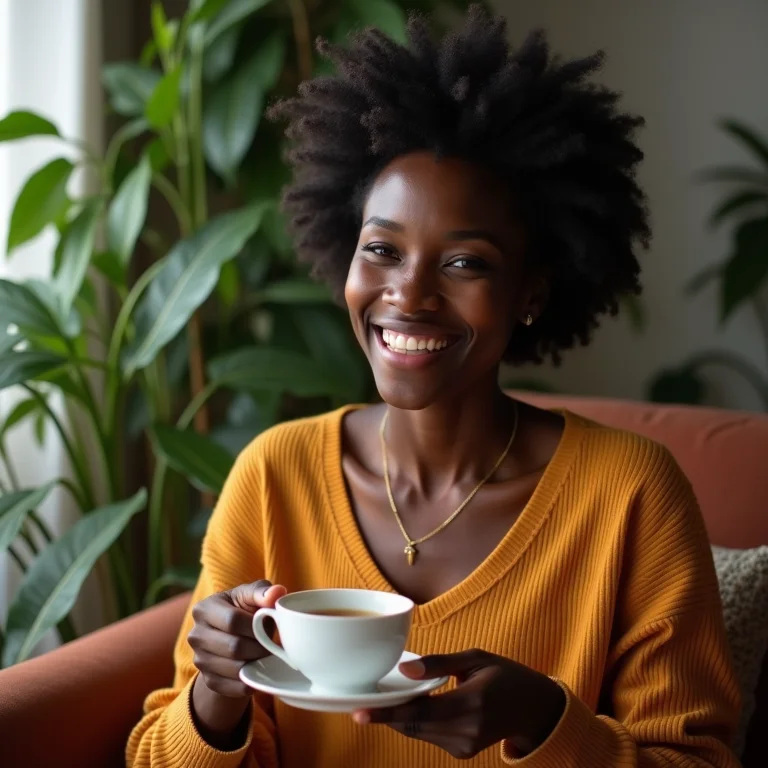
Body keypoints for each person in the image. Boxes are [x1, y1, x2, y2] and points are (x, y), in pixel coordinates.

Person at [127, 6, 741, 767]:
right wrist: (216, 698)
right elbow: (154, 757)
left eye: (464, 263)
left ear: (532, 293)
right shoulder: (273, 475)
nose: (407, 295)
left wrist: (546, 723)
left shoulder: (632, 496)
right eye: (381, 249)